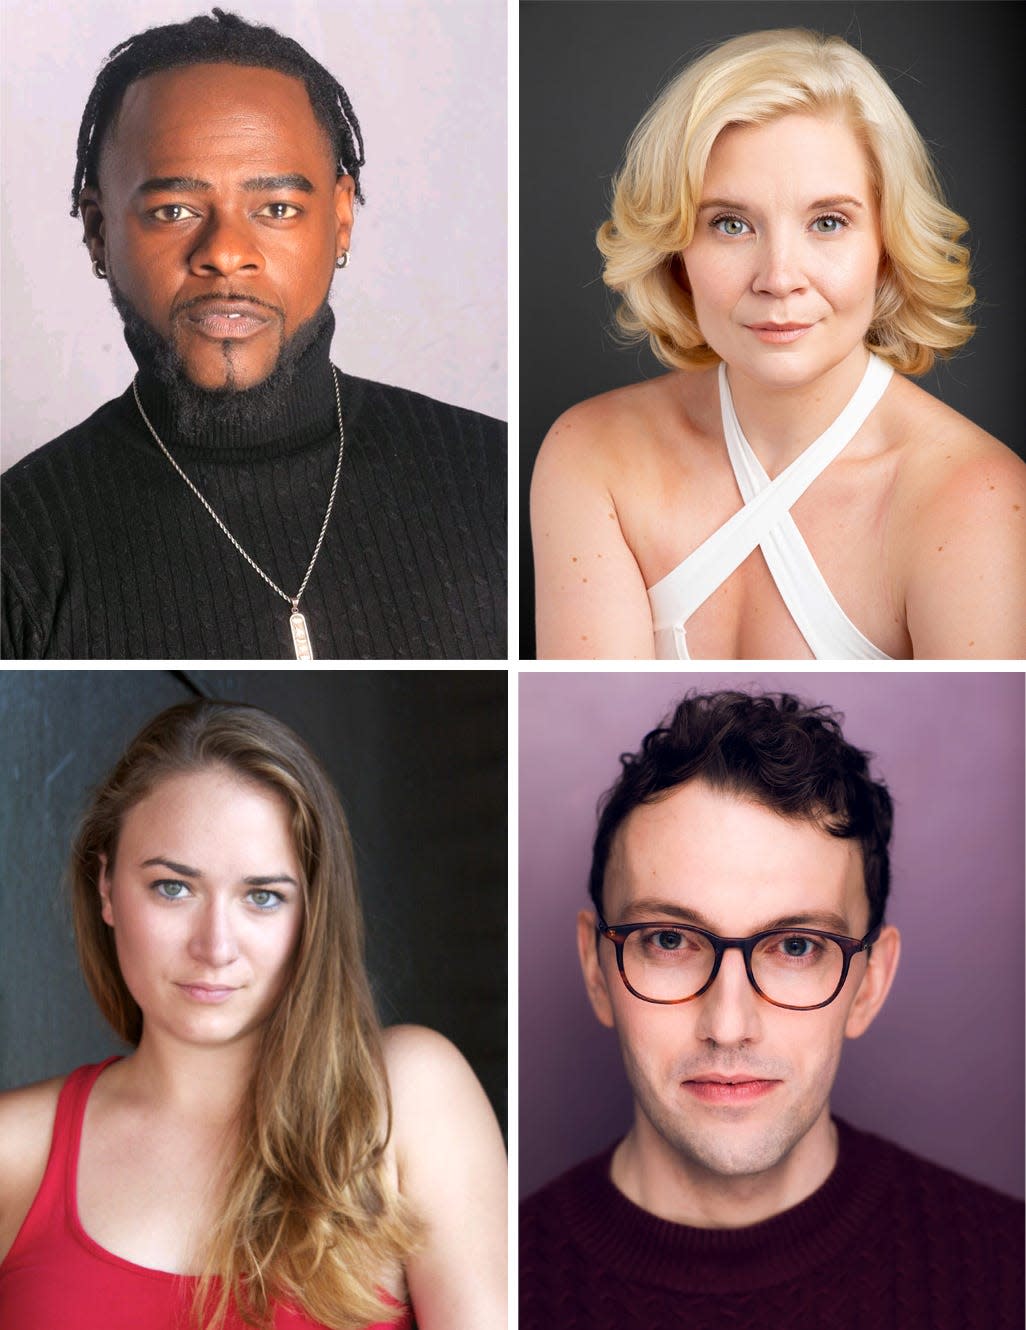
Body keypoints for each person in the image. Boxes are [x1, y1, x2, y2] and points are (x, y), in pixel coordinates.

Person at [1, 9, 506, 660]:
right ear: (99, 230)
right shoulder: (21, 553)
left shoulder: (496, 476)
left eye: (277, 209)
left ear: (341, 217)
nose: (227, 253)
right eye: (174, 210)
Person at [520, 690, 1023, 1329]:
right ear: (597, 970)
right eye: (669, 940)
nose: (729, 1025)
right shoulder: (511, 1279)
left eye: (796, 946)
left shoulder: (1009, 1271)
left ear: (870, 983)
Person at [0, 700, 507, 1329]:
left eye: (262, 897)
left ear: (312, 913)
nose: (214, 946)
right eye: (173, 887)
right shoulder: (13, 1150)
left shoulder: (405, 1097)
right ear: (105, 887)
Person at [531, 28, 1025, 660]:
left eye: (828, 222)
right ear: (676, 250)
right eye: (730, 225)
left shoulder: (977, 500)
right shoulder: (593, 455)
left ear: (887, 245)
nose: (779, 278)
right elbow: (594, 743)